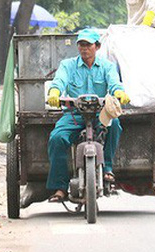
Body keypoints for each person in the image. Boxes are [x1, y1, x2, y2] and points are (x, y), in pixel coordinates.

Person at [45, 29, 130, 202]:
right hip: (75, 114)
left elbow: (114, 83)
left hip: (100, 112)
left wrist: (119, 92)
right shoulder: (68, 65)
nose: (84, 49)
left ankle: (107, 168)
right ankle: (60, 187)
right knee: (57, 138)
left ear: (97, 47)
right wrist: (54, 92)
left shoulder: (107, 66)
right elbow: (60, 80)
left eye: (88, 45)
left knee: (115, 125)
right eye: (81, 45)